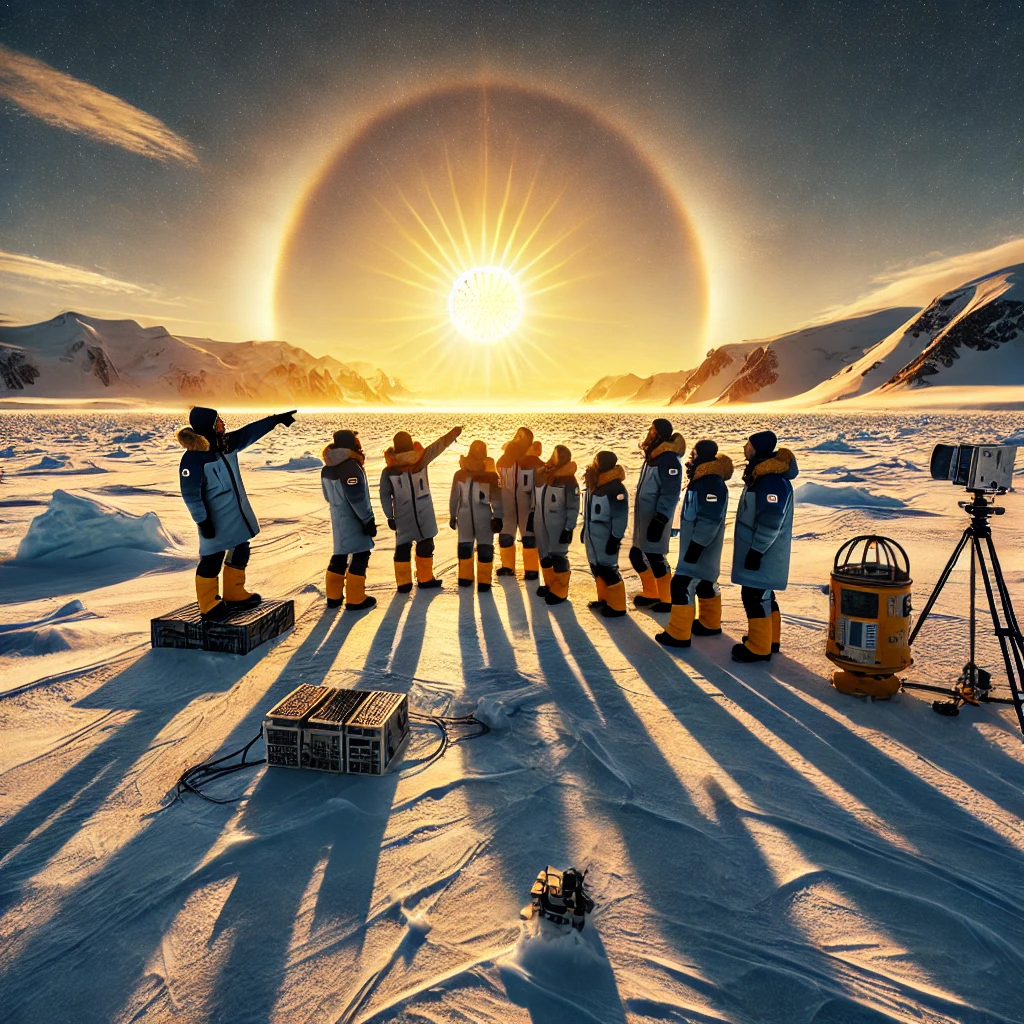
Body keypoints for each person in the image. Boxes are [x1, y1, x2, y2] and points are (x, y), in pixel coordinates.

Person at [177, 405, 296, 620]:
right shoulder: (193, 458)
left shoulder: (225, 444)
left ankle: (235, 593)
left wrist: (275, 419)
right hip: (214, 518)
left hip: (235, 512)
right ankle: (208, 603)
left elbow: (250, 432)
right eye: (218, 421)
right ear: (209, 426)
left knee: (241, 547)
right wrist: (203, 521)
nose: (222, 423)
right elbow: (191, 494)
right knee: (212, 557)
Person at [655, 439, 733, 648]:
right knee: (706, 583)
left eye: (694, 453)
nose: (690, 457)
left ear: (701, 455)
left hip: (700, 549)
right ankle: (709, 624)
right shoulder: (702, 479)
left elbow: (710, 519)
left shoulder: (710, 482)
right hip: (698, 547)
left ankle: (679, 634)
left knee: (681, 585)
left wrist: (696, 546)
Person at [731, 430, 798, 662]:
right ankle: (770, 640)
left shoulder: (771, 481)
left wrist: (756, 551)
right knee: (763, 593)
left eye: (749, 445)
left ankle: (759, 648)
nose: (745, 448)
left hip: (764, 551)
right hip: (762, 550)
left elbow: (771, 521)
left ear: (759, 448)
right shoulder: (763, 476)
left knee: (753, 594)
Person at [380, 425, 462, 592]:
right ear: (411, 444)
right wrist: (453, 433)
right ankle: (425, 580)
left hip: (402, 516)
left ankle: (403, 584)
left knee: (403, 547)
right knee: (425, 545)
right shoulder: (421, 459)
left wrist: (390, 516)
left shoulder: (389, 470)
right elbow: (438, 446)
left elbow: (384, 495)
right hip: (424, 513)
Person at [631, 418, 686, 611]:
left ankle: (667, 599)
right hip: (644, 520)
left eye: (653, 430)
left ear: (659, 434)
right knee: (637, 555)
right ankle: (652, 593)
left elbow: (670, 493)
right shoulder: (653, 456)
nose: (649, 432)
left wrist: (660, 518)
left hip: (656, 519)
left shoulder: (668, 459)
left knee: (656, 558)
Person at [321, 428, 377, 611]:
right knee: (361, 554)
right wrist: (368, 520)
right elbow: (357, 498)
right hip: (354, 520)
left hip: (338, 518)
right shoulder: (350, 466)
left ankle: (333, 596)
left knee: (340, 555)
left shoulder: (327, 468)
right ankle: (355, 598)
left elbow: (327, 497)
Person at [449, 440, 502, 593]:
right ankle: (468, 579)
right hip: (470, 515)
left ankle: (481, 581)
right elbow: (454, 497)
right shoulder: (461, 474)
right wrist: (453, 515)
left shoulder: (489, 475)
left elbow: (496, 496)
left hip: (481, 515)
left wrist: (498, 516)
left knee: (484, 548)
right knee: (466, 548)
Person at [581, 450, 629, 617]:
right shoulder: (594, 484)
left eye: (598, 461)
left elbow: (620, 516)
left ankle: (618, 606)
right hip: (592, 535)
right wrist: (584, 529)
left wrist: (615, 538)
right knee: (597, 567)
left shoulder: (616, 488)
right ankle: (604, 599)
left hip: (606, 536)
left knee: (609, 569)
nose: (595, 463)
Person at [533, 445, 580, 605]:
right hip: (542, 522)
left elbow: (573, 506)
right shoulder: (547, 474)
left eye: (555, 454)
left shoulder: (569, 481)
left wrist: (569, 528)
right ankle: (550, 584)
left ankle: (560, 592)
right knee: (544, 555)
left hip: (558, 525)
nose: (552, 456)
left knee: (558, 557)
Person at [497, 427, 544, 580]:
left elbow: (545, 476)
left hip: (527, 504)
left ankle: (531, 570)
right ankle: (507, 567)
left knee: (528, 535)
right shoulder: (503, 461)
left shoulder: (532, 461)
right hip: (508, 502)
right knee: (506, 534)